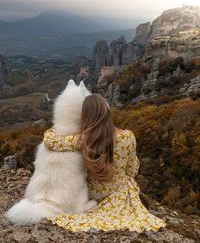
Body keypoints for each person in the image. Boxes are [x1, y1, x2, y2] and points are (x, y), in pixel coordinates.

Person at [43, 94, 166, 232]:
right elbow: (132, 170)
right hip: (117, 192)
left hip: (92, 194)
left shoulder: (84, 139)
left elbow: (50, 141)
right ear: (107, 112)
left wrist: (55, 128)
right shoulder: (128, 137)